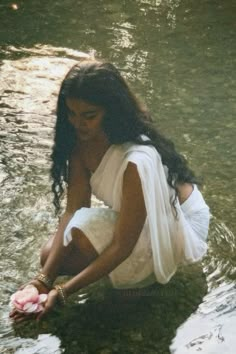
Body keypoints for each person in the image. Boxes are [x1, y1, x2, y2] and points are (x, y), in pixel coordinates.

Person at [10, 59, 210, 322]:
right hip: (145, 217)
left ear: (111, 111)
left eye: (89, 116)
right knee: (50, 255)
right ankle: (118, 271)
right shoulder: (81, 143)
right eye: (71, 113)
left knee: (83, 243)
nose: (78, 124)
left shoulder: (135, 160)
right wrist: (43, 280)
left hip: (179, 223)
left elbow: (123, 245)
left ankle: (143, 282)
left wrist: (63, 291)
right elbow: (73, 210)